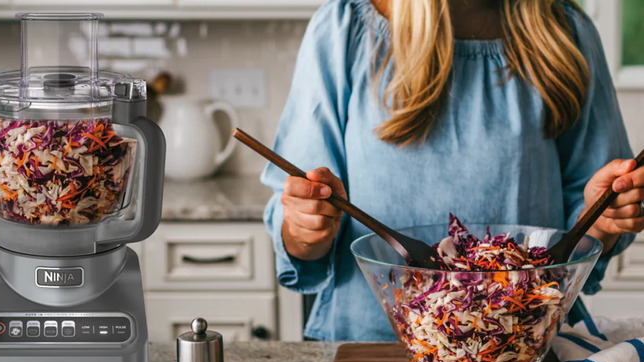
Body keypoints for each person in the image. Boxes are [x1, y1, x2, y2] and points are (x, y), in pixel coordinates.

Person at [261, 0, 644, 341]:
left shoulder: (565, 31)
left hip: (531, 345)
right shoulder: (342, 31)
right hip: (367, 349)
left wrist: (602, 219)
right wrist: (305, 226)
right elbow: (299, 227)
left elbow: (584, 234)